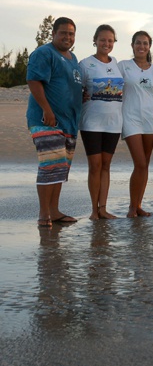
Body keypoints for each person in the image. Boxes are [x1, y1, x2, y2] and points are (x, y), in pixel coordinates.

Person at [26, 17, 82, 227]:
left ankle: (55, 211)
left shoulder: (72, 58)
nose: (67, 37)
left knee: (60, 168)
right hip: (46, 120)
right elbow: (33, 80)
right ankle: (43, 214)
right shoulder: (44, 53)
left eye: (71, 34)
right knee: (50, 167)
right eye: (63, 33)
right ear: (54, 34)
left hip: (69, 123)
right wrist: (47, 110)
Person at [79, 24, 124, 220]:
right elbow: (75, 89)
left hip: (113, 122)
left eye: (110, 40)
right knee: (95, 165)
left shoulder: (116, 64)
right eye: (103, 39)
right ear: (95, 40)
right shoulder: (85, 64)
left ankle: (103, 208)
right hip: (91, 122)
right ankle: (93, 210)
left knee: (106, 165)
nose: (106, 43)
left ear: (114, 42)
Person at [118, 31, 153, 218]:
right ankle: (132, 206)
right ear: (132, 45)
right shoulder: (123, 66)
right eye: (138, 43)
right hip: (130, 119)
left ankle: (138, 205)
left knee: (145, 164)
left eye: (145, 43)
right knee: (139, 163)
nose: (141, 46)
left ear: (149, 46)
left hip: (150, 120)